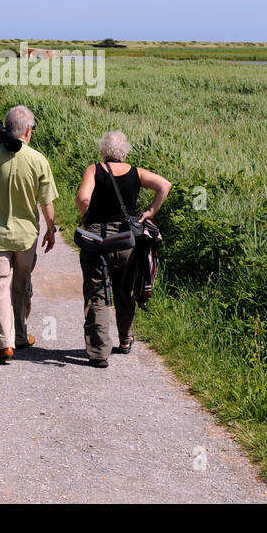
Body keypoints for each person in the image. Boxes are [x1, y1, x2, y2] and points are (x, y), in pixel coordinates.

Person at [0, 105, 58, 364]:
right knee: (20, 286)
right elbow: (47, 202)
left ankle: (7, 343)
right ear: (28, 131)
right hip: (26, 237)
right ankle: (20, 335)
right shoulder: (38, 159)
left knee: (0, 288)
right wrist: (51, 231)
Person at [74, 131, 170, 368]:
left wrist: (86, 216)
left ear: (103, 151)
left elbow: (83, 197)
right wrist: (150, 212)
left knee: (97, 291)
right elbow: (164, 185)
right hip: (127, 238)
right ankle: (125, 340)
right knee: (125, 289)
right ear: (125, 152)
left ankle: (98, 352)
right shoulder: (136, 172)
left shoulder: (94, 169)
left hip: (97, 238)